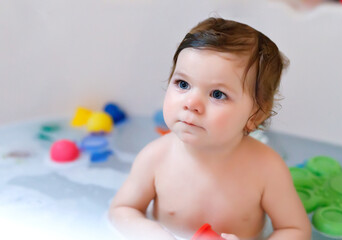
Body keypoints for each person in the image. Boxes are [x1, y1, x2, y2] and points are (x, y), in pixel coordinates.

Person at [108, 17, 311, 240]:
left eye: (217, 94)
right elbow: (122, 211)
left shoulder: (267, 169)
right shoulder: (155, 157)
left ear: (255, 115)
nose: (191, 103)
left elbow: (295, 230)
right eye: (182, 84)